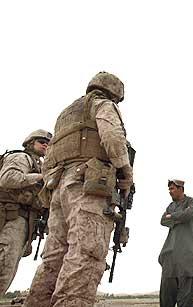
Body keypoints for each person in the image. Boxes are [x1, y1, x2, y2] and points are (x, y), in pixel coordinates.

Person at [24, 72, 133, 307]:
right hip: (88, 187)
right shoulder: (102, 105)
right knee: (87, 253)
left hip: (60, 187)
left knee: (54, 256)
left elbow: (51, 158)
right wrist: (125, 170)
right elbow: (113, 138)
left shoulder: (67, 115)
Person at [0, 129, 52, 295]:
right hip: (10, 217)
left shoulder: (39, 164)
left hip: (23, 220)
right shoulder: (22, 157)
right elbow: (8, 178)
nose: (45, 144)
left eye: (48, 143)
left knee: (8, 269)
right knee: (4, 265)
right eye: (41, 141)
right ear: (30, 143)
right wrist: (40, 177)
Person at [159, 179, 193, 307]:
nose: (170, 192)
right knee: (166, 298)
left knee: (186, 300)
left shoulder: (192, 202)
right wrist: (177, 217)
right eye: (169, 189)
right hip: (170, 256)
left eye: (172, 189)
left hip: (188, 256)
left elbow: (188, 215)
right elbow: (162, 220)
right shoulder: (171, 206)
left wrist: (172, 217)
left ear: (181, 189)